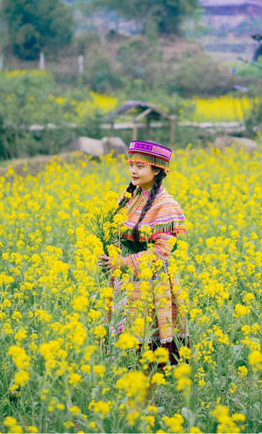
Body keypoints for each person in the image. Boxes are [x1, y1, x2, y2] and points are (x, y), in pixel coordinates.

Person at [99, 140, 190, 365]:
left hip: (151, 281)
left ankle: (148, 391)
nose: (133, 170)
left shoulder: (166, 204)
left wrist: (123, 262)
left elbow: (161, 253)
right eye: (131, 164)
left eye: (140, 166)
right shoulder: (130, 195)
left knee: (146, 344)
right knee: (122, 339)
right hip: (124, 279)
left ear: (157, 170)